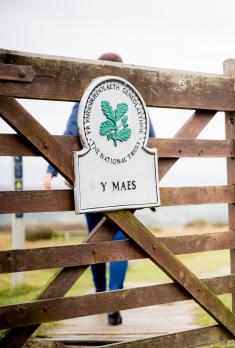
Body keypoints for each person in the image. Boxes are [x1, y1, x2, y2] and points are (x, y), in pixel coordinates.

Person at [43, 52, 156, 326]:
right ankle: (113, 300)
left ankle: (101, 294)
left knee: (96, 242)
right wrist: (151, 178)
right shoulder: (132, 97)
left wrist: (51, 171)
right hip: (127, 183)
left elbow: (70, 134)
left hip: (93, 182)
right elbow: (151, 136)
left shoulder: (87, 96)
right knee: (119, 240)